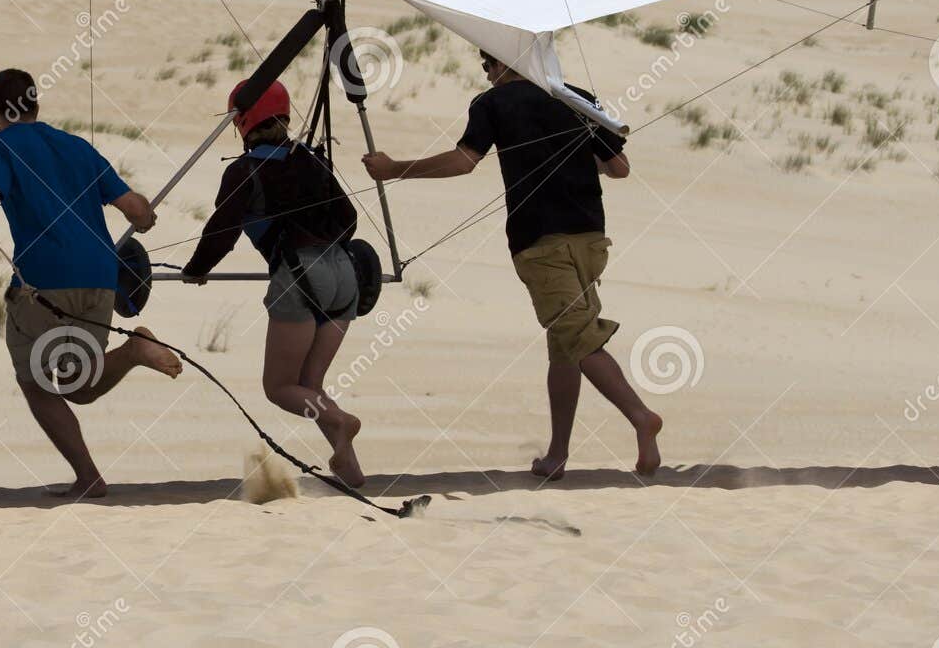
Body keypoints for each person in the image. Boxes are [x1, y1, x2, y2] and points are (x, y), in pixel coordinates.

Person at [363, 52, 663, 479]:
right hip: (591, 238)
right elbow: (619, 168)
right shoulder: (576, 97)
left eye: (488, 64)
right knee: (563, 347)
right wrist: (569, 152)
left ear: (503, 60)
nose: (486, 73)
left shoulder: (492, 103)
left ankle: (640, 417)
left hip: (542, 240)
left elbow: (463, 161)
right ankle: (557, 455)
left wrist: (396, 170)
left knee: (578, 338)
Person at [0, 68, 182, 499]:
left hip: (47, 283)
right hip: (101, 278)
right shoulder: (78, 147)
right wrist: (144, 217)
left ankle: (93, 464)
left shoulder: (1, 145)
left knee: (35, 381)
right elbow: (136, 209)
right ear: (36, 105)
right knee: (80, 385)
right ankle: (129, 361)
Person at [182, 80, 367, 487]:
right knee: (310, 384)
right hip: (344, 272)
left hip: (300, 275)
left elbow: (221, 230)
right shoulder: (313, 160)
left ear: (243, 122)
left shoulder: (244, 170)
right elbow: (349, 217)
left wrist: (197, 268)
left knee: (280, 387)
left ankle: (342, 421)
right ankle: (349, 466)